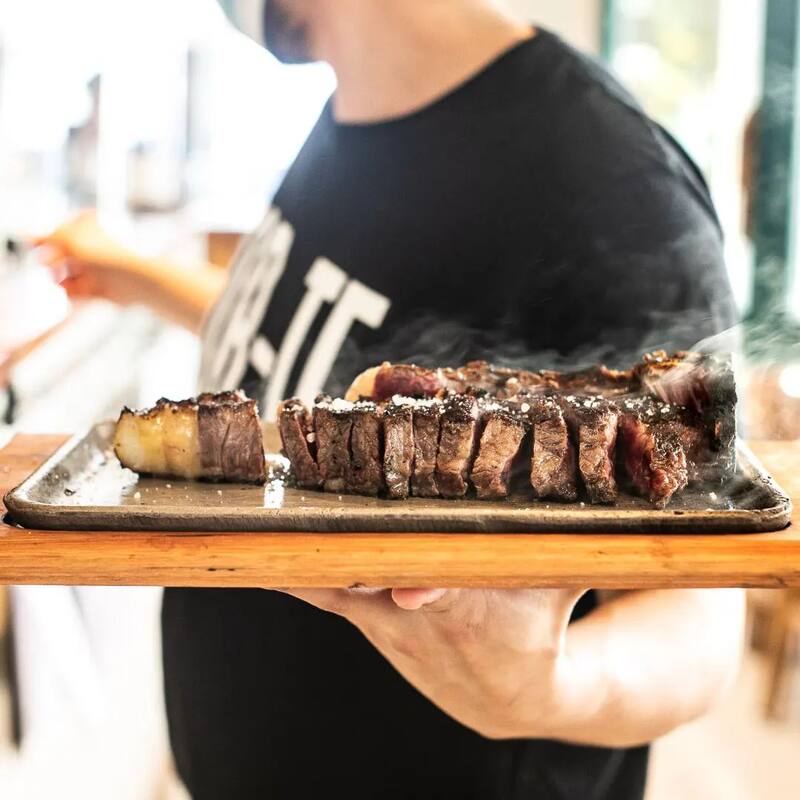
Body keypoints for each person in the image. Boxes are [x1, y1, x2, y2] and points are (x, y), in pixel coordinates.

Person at [39, 2, 745, 798]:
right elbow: (323, 349)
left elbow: (702, 620)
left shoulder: (609, 180)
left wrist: (548, 688)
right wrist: (140, 278)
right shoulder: (353, 104)